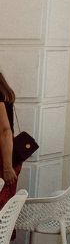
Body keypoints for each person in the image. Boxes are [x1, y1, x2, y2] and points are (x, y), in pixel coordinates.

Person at [0, 71, 19, 209]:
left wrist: (7, 167)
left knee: (3, 206)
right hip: (8, 151)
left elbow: (5, 131)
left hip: (3, 155)